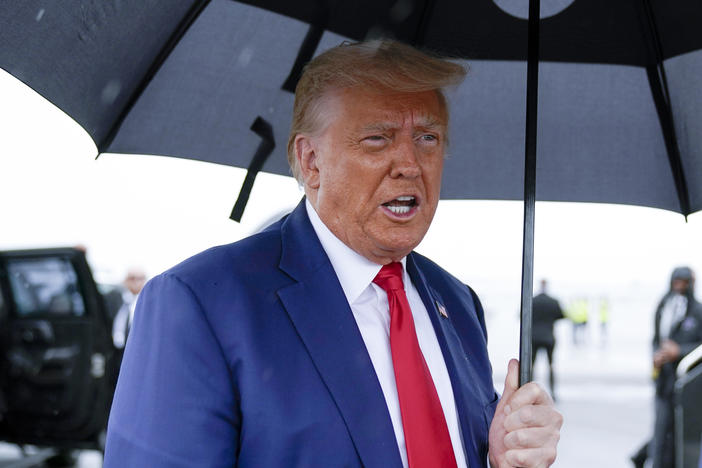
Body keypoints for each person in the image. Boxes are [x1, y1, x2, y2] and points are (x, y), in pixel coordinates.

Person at [104, 39, 562, 468]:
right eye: (377, 138)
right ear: (311, 161)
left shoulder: (458, 302)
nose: (409, 164)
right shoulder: (199, 302)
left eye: (427, 138)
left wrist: (503, 460)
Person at [648, 266, 702, 468]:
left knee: (680, 433)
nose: (678, 286)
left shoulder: (698, 311)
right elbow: (655, 339)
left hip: (688, 383)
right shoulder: (664, 307)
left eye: (683, 282)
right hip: (664, 380)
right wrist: (656, 356)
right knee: (661, 431)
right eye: (675, 282)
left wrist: (678, 351)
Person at [531, 279, 564, 400]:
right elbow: (562, 315)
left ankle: (529, 393)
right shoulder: (553, 301)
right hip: (549, 337)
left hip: (533, 337)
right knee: (550, 365)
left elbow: (521, 316)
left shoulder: (532, 300)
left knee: (531, 367)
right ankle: (553, 393)